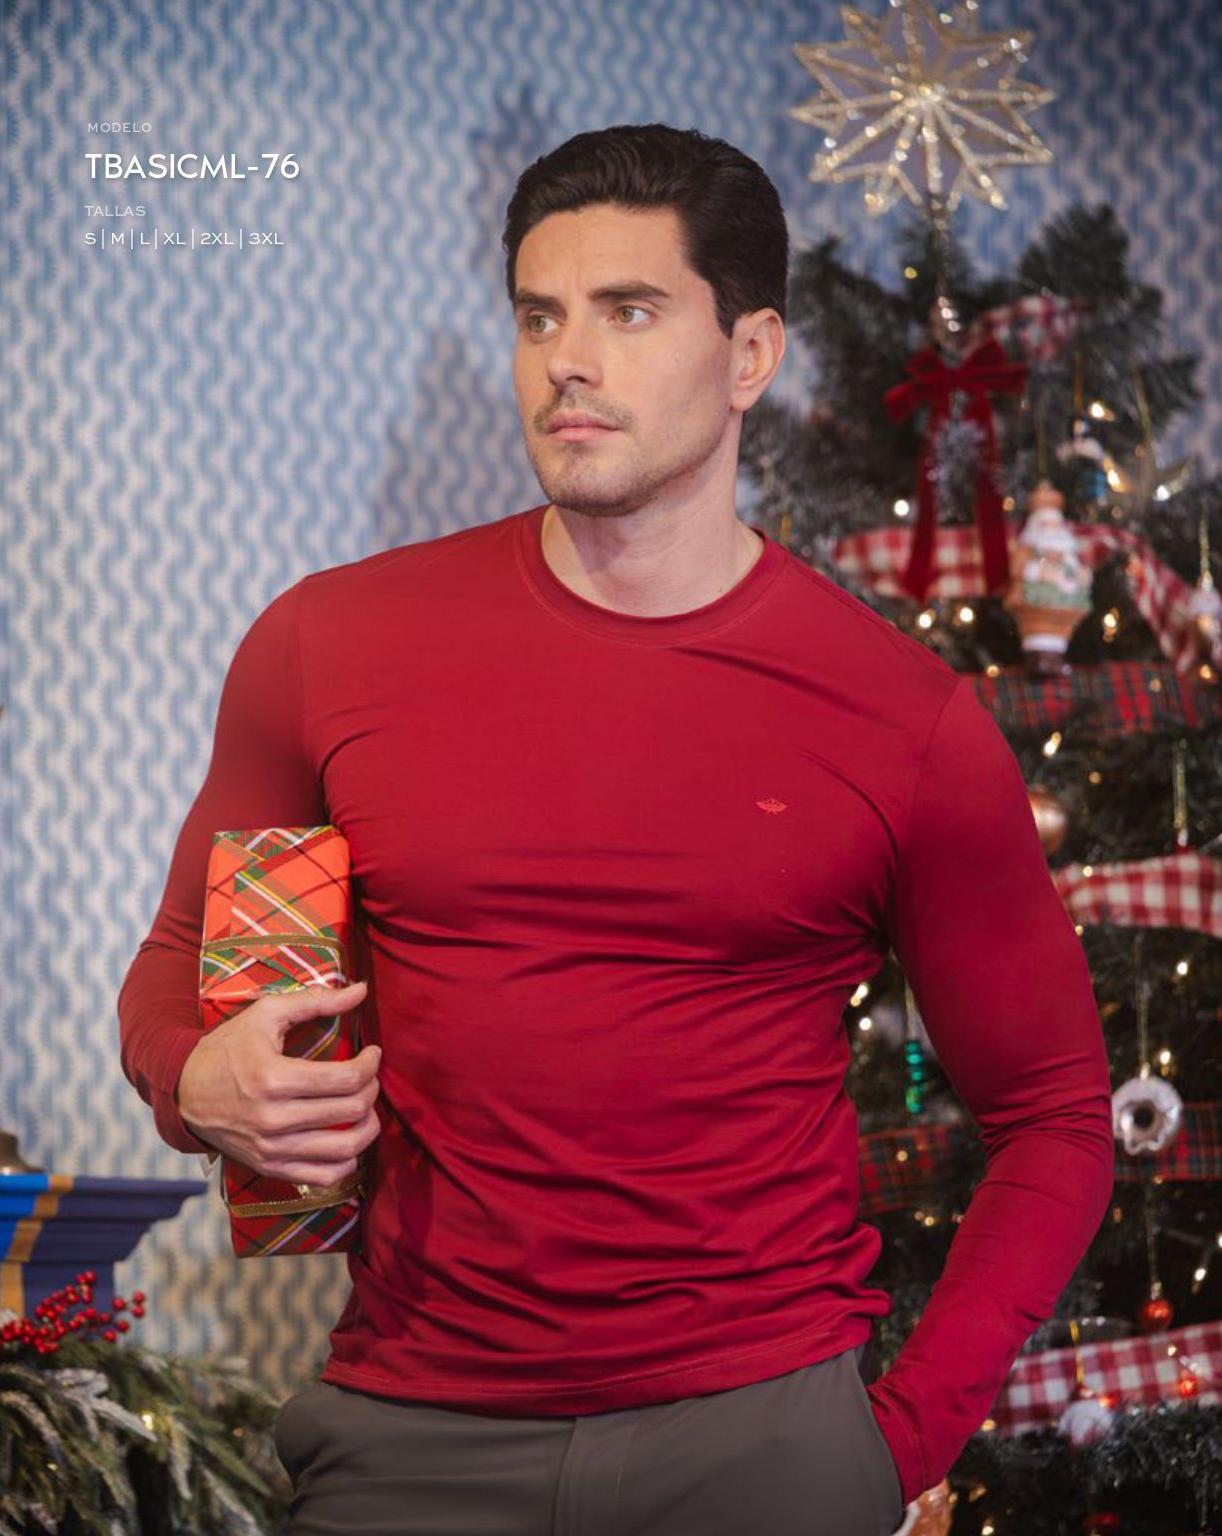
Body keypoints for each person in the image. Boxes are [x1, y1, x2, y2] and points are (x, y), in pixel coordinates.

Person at [117, 122, 1115, 1536]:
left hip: (761, 1440)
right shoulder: (326, 644)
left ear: (750, 355)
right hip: (410, 1435)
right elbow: (174, 965)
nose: (565, 362)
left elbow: (1056, 1118)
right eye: (539, 317)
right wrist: (191, 1076)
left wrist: (891, 1445)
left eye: (627, 311)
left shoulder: (905, 718)